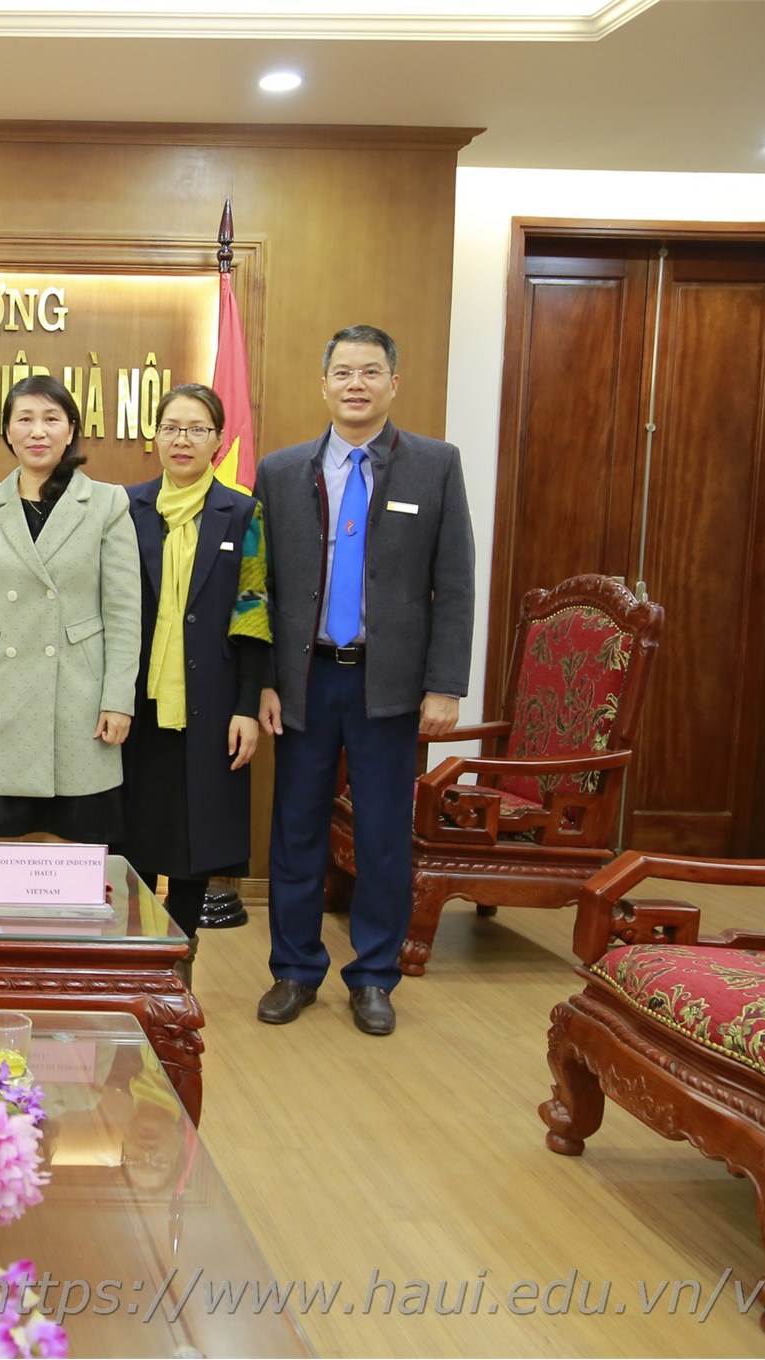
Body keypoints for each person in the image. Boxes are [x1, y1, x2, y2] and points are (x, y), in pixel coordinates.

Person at [255, 325, 475, 1036]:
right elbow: (259, 588)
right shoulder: (281, 470)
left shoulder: (434, 466)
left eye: (369, 372)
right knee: (295, 832)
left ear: (392, 383)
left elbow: (454, 583)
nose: (355, 384)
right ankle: (293, 970)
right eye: (342, 372)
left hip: (389, 686)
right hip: (304, 680)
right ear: (322, 384)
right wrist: (264, 680)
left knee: (383, 835)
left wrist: (444, 685)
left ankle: (374, 976)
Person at [0, 374, 141, 843]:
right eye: (24, 419)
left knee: (72, 845)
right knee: (2, 843)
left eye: (51, 419)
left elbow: (123, 613)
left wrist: (118, 699)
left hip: (78, 695)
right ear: (7, 431)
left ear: (71, 429)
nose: (38, 431)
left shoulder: (107, 503)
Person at [117, 383, 273, 987]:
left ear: (217, 439)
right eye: (172, 427)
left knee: (192, 833)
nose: (183, 439)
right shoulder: (125, 508)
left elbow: (253, 608)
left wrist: (246, 705)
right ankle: (131, 955)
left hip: (210, 703)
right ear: (154, 436)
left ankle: (178, 958)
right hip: (135, 700)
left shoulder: (244, 512)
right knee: (134, 826)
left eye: (198, 428)